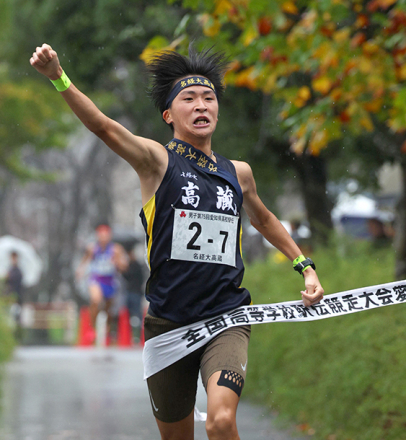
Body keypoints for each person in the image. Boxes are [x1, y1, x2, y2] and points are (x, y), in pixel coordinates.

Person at [30, 43, 324, 440]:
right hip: (168, 326)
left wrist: (304, 267)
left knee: (221, 422)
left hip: (227, 318)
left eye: (209, 98)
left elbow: (266, 219)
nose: (201, 105)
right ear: (169, 115)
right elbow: (102, 125)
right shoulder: (156, 161)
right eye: (189, 98)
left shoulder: (239, 174)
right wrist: (58, 78)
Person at [76, 223, 128, 339]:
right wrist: (80, 271)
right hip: (96, 278)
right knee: (96, 300)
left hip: (109, 280)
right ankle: (92, 328)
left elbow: (124, 266)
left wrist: (117, 262)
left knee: (108, 309)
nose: (103, 237)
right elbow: (84, 261)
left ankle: (108, 327)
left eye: (106, 235)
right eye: (101, 235)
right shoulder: (92, 248)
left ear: (109, 236)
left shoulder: (116, 249)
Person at [122, 247, 145, 341]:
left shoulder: (136, 265)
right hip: (131, 292)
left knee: (136, 314)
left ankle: (137, 335)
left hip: (135, 293)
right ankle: (130, 334)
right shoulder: (131, 265)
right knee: (128, 314)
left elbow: (130, 276)